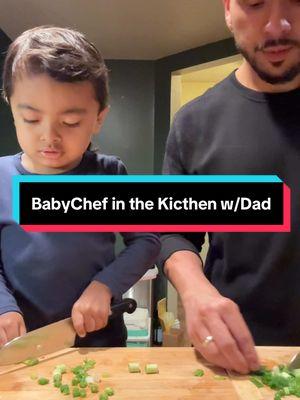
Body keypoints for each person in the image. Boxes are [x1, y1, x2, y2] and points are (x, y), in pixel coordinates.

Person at [159, 0, 300, 374]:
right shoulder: (194, 123)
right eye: (255, 3)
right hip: (236, 359)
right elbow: (174, 233)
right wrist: (194, 290)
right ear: (227, 10)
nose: (277, 26)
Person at [0, 26, 160, 347]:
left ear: (99, 118)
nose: (49, 136)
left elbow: (146, 240)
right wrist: (3, 307)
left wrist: (105, 285)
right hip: (22, 346)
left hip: (99, 343)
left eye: (70, 122)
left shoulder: (109, 173)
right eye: (31, 119)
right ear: (11, 107)